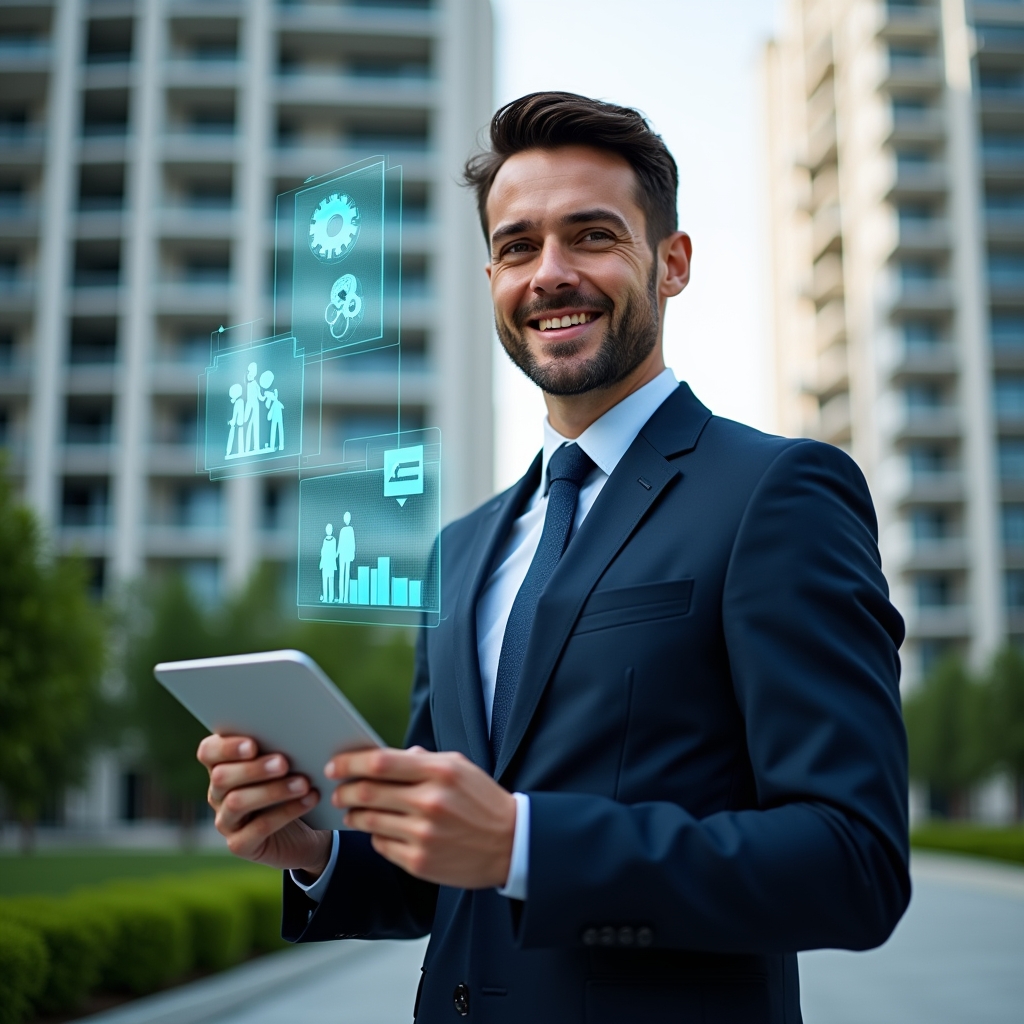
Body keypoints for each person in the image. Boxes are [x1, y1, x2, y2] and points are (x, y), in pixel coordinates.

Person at [198, 93, 910, 1023]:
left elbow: (851, 862)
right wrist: (317, 848)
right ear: (491, 272)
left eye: (593, 236)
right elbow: (441, 872)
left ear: (672, 262)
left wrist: (527, 845)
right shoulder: (460, 550)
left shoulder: (778, 492)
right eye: (519, 246)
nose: (550, 274)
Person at [243, 362, 264, 454]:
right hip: (250, 405)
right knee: (248, 426)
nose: (248, 374)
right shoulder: (248, 384)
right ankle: (247, 448)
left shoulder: (256, 384)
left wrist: (266, 397)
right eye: (247, 371)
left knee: (256, 426)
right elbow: (248, 399)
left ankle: (256, 447)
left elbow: (260, 397)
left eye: (250, 371)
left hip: (255, 406)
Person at [337, 511, 355, 603]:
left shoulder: (350, 529)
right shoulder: (342, 530)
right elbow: (340, 543)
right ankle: (341, 597)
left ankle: (345, 598)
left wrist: (352, 554)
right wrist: (337, 553)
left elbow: (352, 543)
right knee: (342, 575)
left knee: (346, 575)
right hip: (342, 554)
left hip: (347, 554)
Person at [319, 524, 338, 604]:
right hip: (325, 564)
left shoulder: (334, 540)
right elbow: (323, 552)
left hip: (330, 564)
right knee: (325, 582)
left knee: (331, 581)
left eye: (330, 529)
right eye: (327, 529)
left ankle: (331, 598)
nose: (329, 530)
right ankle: (325, 598)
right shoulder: (324, 540)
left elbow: (333, 552)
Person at [225, 383, 245, 459]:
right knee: (238, 436)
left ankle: (229, 452)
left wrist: (232, 421)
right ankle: (237, 451)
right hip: (238, 423)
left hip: (236, 423)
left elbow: (236, 413)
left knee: (234, 437)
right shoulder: (240, 401)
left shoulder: (239, 402)